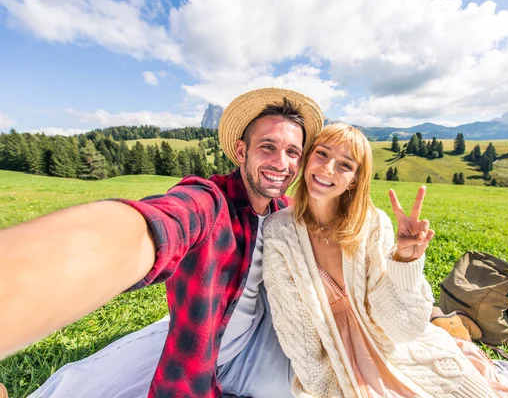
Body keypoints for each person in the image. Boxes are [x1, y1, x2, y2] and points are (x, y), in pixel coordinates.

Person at [0, 87, 324, 398]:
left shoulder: (283, 212)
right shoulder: (209, 203)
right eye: (268, 146)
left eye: (292, 152)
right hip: (204, 357)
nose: (281, 163)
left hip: (258, 346)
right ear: (242, 151)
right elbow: (158, 226)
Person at [262, 123, 508, 397]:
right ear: (307, 158)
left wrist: (405, 261)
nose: (327, 168)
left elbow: (401, 328)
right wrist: (324, 386)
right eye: (322, 154)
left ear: (354, 180)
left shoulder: (373, 223)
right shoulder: (279, 231)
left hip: (390, 348)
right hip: (333, 359)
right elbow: (295, 328)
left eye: (344, 165)